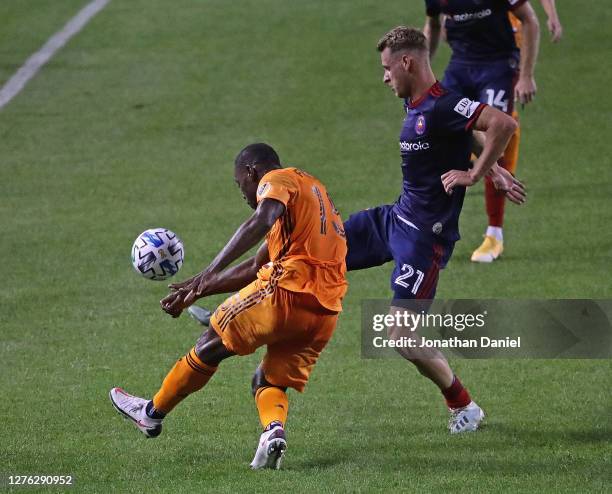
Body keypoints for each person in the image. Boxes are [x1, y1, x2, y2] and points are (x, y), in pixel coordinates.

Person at [188, 27, 525, 434]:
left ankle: (464, 406)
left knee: (401, 334)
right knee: (301, 242)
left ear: (407, 62)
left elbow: (502, 124)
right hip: (393, 219)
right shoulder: (417, 104)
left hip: (423, 238)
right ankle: (233, 307)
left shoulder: (442, 103)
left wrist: (478, 174)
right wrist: (497, 172)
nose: (384, 78)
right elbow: (464, 134)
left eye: (387, 68)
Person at [109, 143, 347, 470]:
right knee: (268, 379)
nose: (243, 192)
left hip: (289, 289)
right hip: (326, 311)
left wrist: (209, 271)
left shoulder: (277, 179)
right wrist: (197, 289)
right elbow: (253, 267)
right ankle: (273, 432)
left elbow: (261, 218)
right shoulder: (310, 193)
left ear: (252, 172)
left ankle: (151, 414)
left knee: (210, 341)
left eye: (240, 184)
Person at [424, 0, 539, 263]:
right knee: (441, 139)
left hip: (498, 66)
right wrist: (424, 76)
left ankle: (494, 234)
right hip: (460, 66)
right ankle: (436, 229)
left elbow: (530, 20)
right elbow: (432, 26)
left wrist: (526, 75)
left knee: (493, 144)